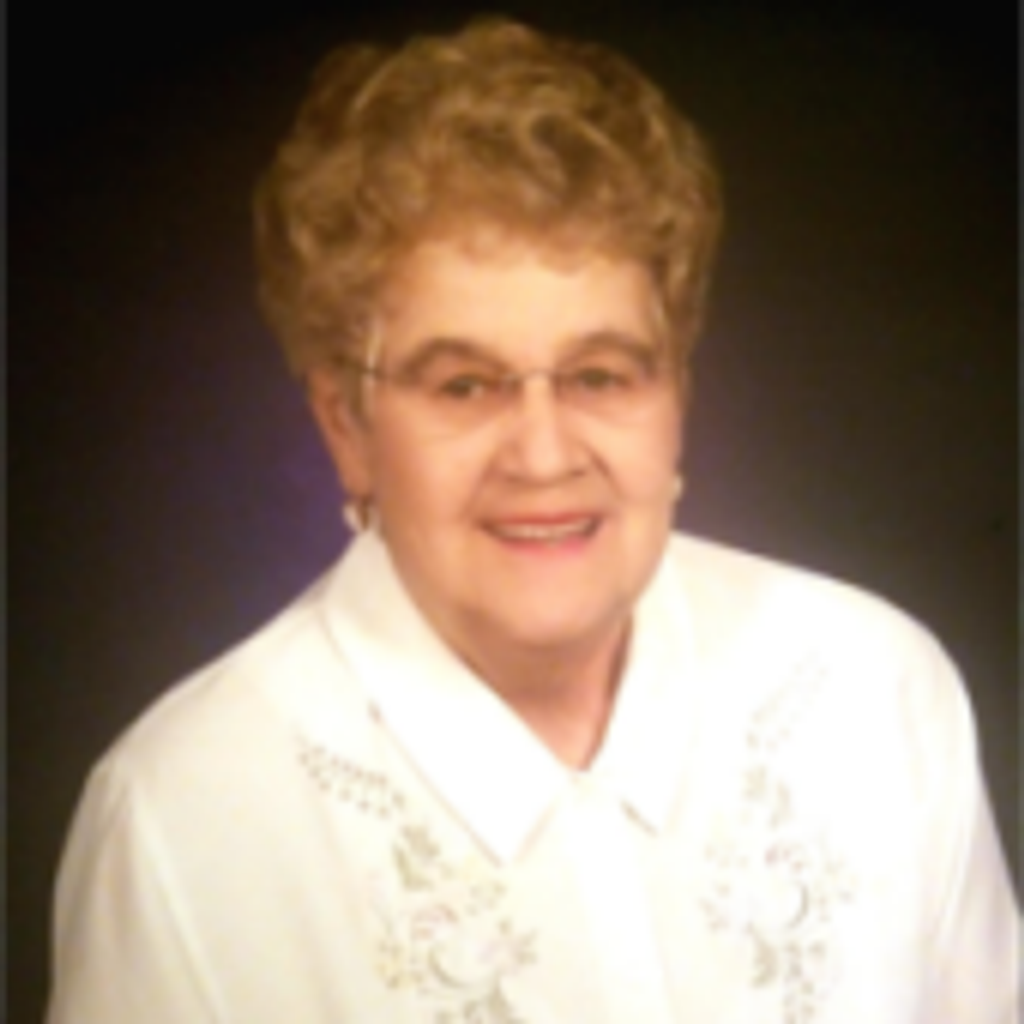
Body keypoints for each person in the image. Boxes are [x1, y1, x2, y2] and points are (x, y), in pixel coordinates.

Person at [47, 17, 1018, 1023]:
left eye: (601, 375)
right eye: (464, 385)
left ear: (677, 394)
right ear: (346, 423)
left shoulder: (873, 693)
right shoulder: (183, 823)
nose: (545, 456)